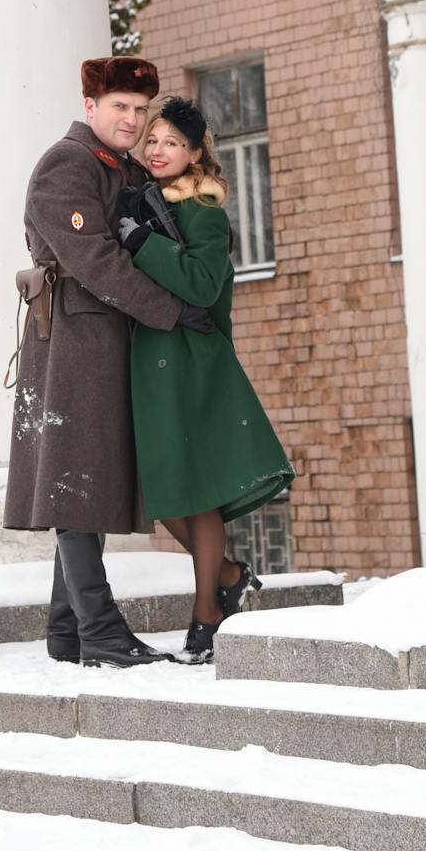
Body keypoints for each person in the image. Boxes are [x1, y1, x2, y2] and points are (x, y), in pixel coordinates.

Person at [3, 57, 217, 668]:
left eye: (139, 109)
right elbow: (94, 259)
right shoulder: (65, 164)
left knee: (84, 480)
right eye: (118, 106)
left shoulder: (117, 167)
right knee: (74, 483)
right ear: (91, 106)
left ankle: (67, 631)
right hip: (71, 340)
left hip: (101, 341)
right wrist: (170, 310)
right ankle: (99, 630)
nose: (130, 119)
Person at [117, 95, 294, 664]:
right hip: (154, 361)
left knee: (196, 493)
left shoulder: (204, 212)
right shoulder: (149, 205)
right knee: (160, 487)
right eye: (154, 140)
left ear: (195, 155)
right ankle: (232, 574)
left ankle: (206, 613)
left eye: (172, 142)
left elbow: (197, 283)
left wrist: (144, 243)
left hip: (193, 363)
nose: (158, 149)